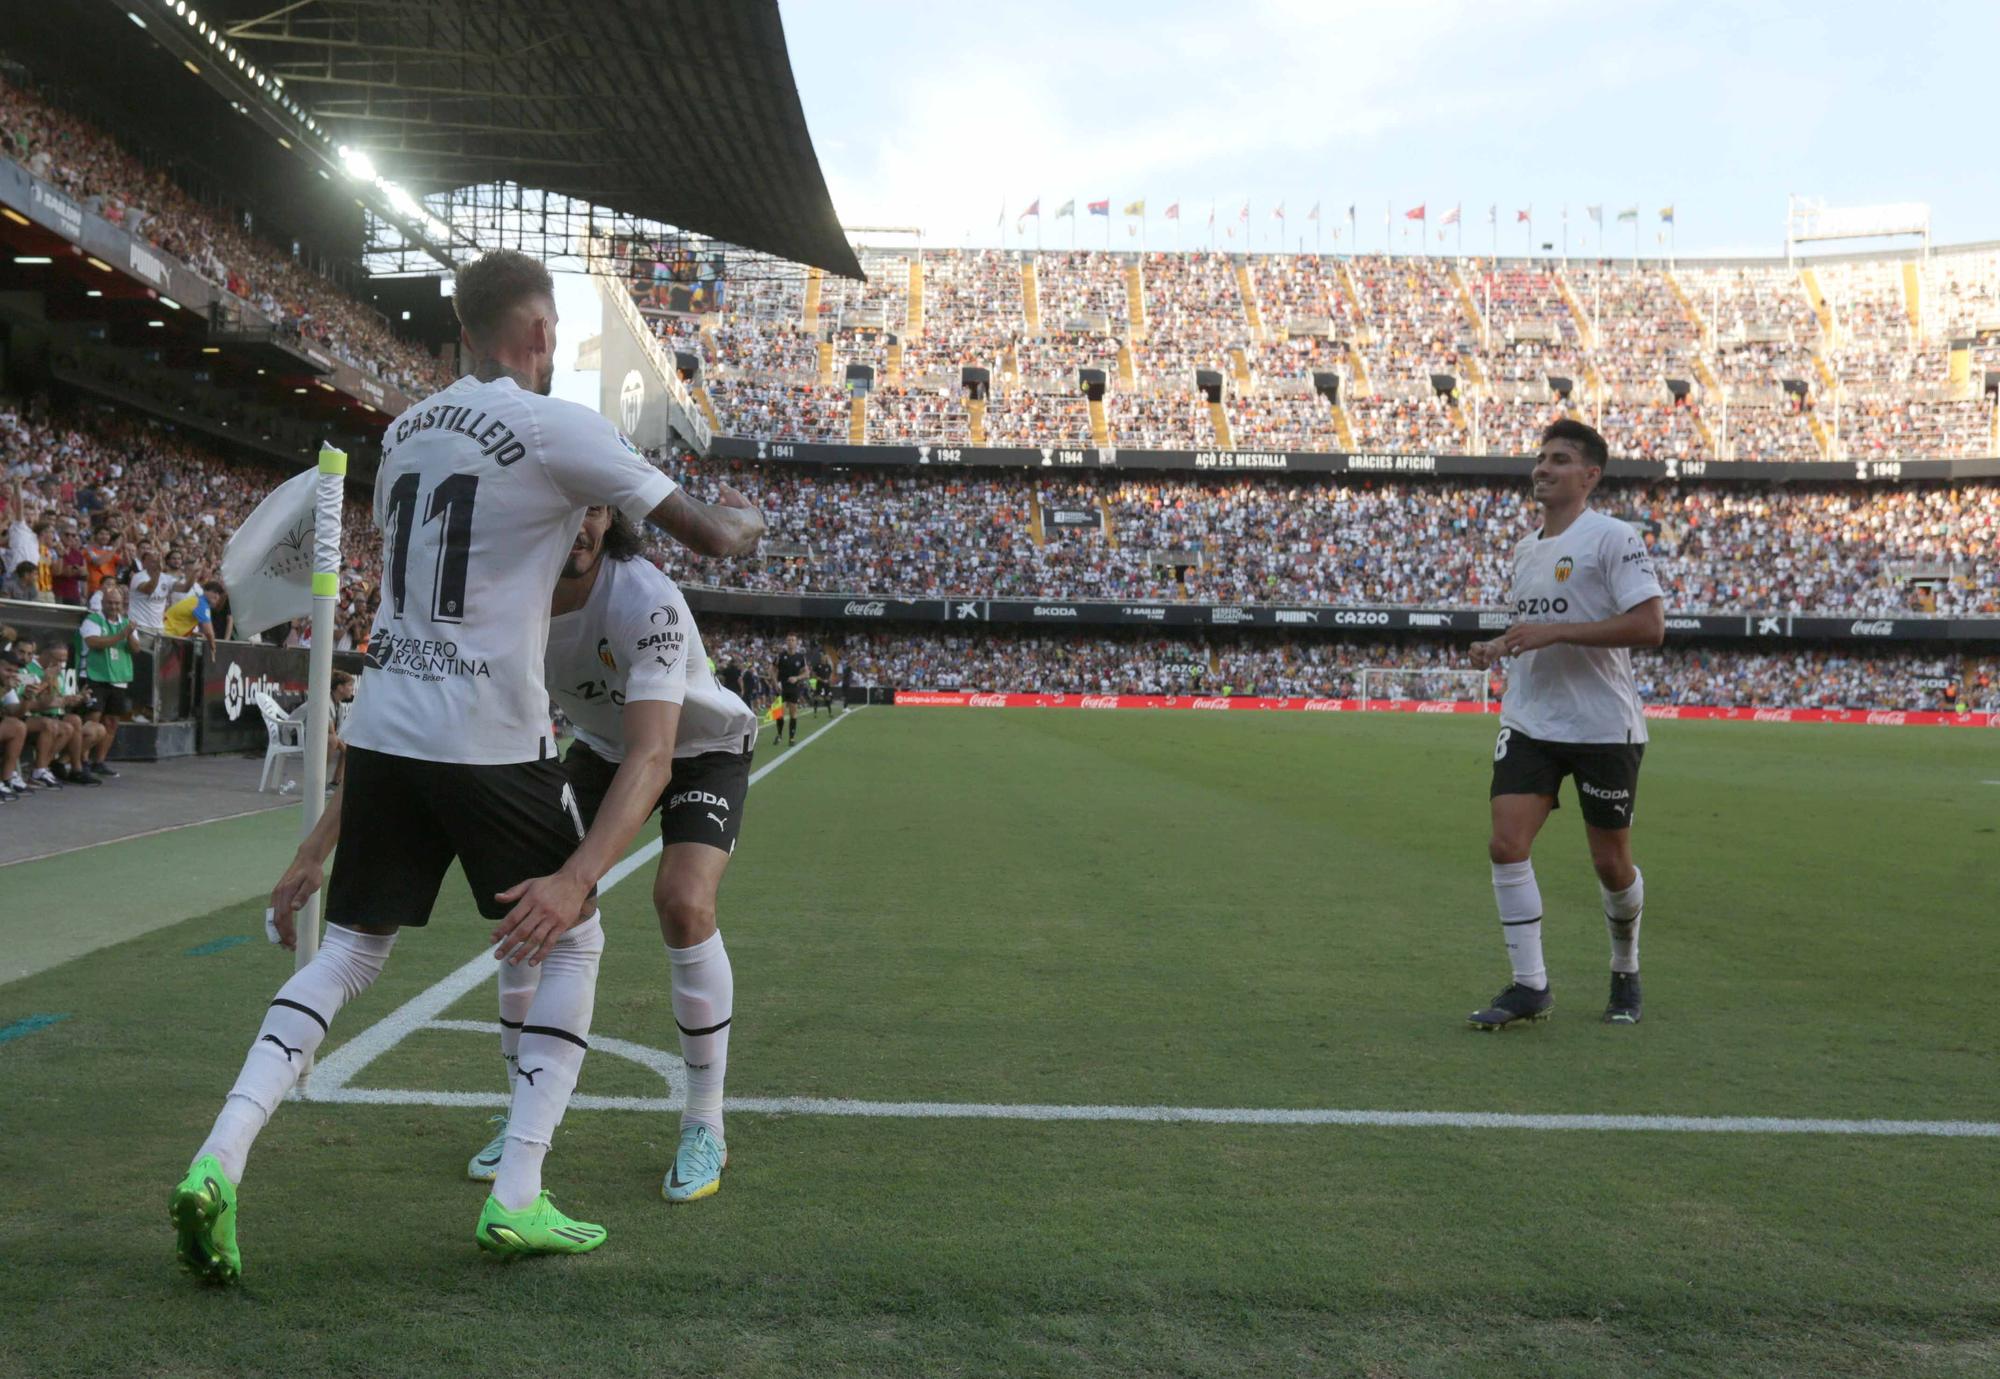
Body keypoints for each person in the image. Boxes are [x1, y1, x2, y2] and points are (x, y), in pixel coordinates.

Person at [172, 248, 767, 1284]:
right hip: (493, 734)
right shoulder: (559, 427)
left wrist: (321, 837)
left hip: (391, 723)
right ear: (538, 336)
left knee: (350, 953)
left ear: (459, 329)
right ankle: (521, 1190)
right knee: (571, 934)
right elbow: (712, 535)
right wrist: (752, 520)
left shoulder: (403, 429)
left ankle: (217, 1156)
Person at [467, 505, 758, 1204]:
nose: (579, 526)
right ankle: (522, 1107)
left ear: (613, 517)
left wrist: (579, 876)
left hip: (697, 749)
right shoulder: (509, 594)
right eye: (562, 507)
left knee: (684, 903)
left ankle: (705, 1121)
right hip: (600, 749)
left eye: (594, 508)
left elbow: (655, 754)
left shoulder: (644, 597)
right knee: (524, 899)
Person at [1466, 419, 1665, 1030]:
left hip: (1603, 725)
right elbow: (1543, 627)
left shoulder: (1614, 537)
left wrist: (1554, 631)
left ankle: (1625, 968)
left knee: (1610, 864)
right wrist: (1502, 644)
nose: (1542, 468)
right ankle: (1531, 985)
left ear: (1590, 475)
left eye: (1558, 459)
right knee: (1506, 843)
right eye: (1540, 458)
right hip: (1531, 718)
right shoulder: (1527, 549)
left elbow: (1650, 627)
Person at [78, 583, 142, 778]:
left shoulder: (127, 623)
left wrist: (129, 635)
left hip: (119, 678)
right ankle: (82, 761)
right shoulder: (92, 620)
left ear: (122, 604)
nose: (114, 607)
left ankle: (100, 761)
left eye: (117, 603)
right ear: (103, 603)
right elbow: (94, 643)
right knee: (93, 719)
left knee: (112, 722)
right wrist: (121, 634)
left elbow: (136, 649)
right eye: (110, 603)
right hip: (95, 676)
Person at [164, 580, 226, 658]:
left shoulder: (196, 600)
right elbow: (209, 632)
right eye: (214, 591)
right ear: (205, 591)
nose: (217, 595)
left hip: (167, 635)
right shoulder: (202, 604)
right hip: (166, 637)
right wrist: (213, 649)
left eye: (219, 593)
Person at [772, 634, 808, 746]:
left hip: (793, 688)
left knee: (793, 713)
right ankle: (779, 735)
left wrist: (797, 678)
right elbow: (772, 670)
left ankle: (791, 738)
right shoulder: (780, 656)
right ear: (786, 642)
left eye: (793, 640)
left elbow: (807, 673)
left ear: (796, 642)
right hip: (781, 687)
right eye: (789, 640)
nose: (791, 642)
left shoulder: (801, 657)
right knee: (778, 713)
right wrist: (774, 683)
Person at [810, 647, 833, 717]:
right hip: (819, 684)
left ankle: (830, 713)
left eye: (825, 657)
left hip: (827, 684)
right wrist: (821, 679)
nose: (823, 658)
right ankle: (815, 713)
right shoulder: (817, 666)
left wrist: (829, 680)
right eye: (822, 657)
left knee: (828, 698)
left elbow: (830, 674)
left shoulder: (828, 666)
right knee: (816, 698)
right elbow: (814, 675)